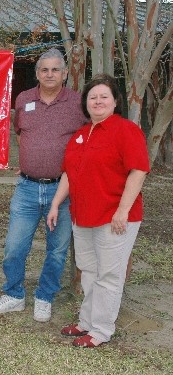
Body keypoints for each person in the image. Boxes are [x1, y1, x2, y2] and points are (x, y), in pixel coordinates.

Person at [47, 74, 150, 348]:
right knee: (89, 270)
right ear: (86, 103)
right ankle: (86, 322)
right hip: (83, 216)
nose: (98, 101)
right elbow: (69, 172)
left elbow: (138, 170)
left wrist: (122, 211)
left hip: (114, 217)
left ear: (115, 102)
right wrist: (56, 203)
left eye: (104, 96)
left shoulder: (126, 130)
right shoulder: (81, 134)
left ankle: (102, 330)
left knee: (108, 275)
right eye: (92, 97)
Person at [0, 48, 88, 322]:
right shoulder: (24, 99)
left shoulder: (78, 103)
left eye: (56, 69)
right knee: (14, 247)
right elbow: (20, 132)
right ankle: (14, 294)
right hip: (27, 188)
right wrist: (30, 157)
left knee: (57, 249)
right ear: (37, 74)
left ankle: (44, 297)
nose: (50, 74)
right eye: (44, 70)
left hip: (64, 190)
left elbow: (88, 140)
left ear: (65, 73)